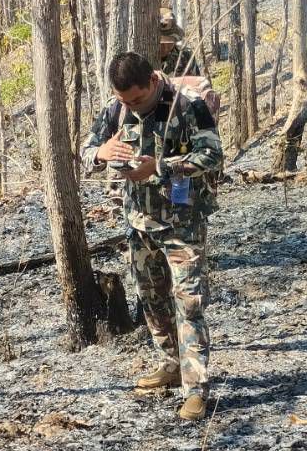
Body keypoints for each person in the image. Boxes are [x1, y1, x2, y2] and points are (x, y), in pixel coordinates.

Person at [79, 51, 224, 421]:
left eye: (138, 99)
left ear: (154, 82)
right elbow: (86, 149)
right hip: (139, 224)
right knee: (152, 301)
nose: (131, 106)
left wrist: (159, 167)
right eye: (125, 100)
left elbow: (213, 154)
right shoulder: (116, 109)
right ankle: (171, 365)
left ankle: (196, 389)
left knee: (188, 304)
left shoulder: (187, 105)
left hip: (183, 224)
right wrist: (101, 153)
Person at [158, 10, 201, 76]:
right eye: (162, 43)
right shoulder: (144, 57)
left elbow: (196, 80)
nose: (166, 47)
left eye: (170, 42)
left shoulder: (185, 55)